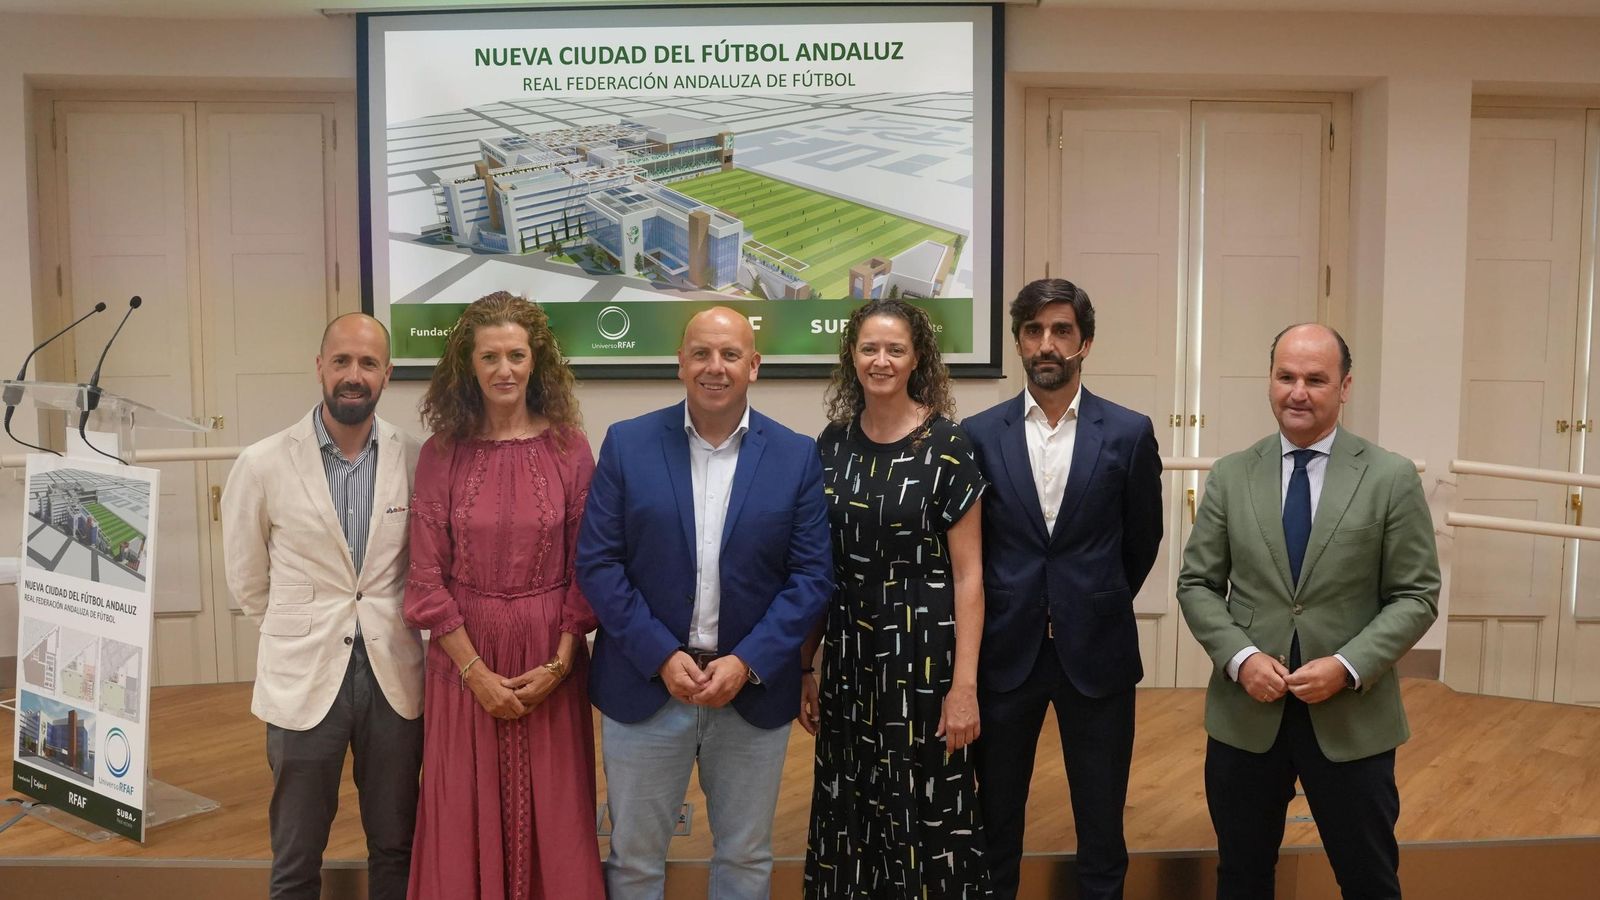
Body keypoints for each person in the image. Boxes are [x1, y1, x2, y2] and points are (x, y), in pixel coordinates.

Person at [576, 306, 833, 900]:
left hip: (752, 693)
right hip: (645, 689)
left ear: (754, 366)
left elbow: (811, 576)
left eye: (730, 354)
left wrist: (747, 662)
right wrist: (661, 656)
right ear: (680, 363)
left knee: (745, 858)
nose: (715, 367)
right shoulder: (628, 444)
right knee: (635, 860)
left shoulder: (795, 455)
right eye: (701, 353)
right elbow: (598, 563)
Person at [1177, 323, 1440, 900]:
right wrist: (1241, 658)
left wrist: (1347, 666)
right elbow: (1197, 584)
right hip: (1247, 716)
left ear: (1345, 387)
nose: (1298, 392)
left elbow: (1417, 594)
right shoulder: (1231, 474)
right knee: (1242, 878)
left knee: (1368, 880)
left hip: (1351, 717)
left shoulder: (1389, 477)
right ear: (1270, 381)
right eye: (1286, 377)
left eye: (1316, 380)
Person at [963, 279, 1163, 900]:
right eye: (1033, 331)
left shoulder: (1128, 432)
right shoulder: (977, 434)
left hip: (1097, 653)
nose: (1046, 344)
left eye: (1061, 330)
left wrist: (1091, 599)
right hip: (1005, 654)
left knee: (1101, 826)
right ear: (1019, 342)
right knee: (995, 821)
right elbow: (973, 548)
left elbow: (1143, 540)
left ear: (1085, 343)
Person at [403, 292, 604, 899]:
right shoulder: (441, 453)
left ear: (536, 361)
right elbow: (425, 578)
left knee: (556, 816)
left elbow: (587, 568)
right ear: (468, 366)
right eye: (489, 357)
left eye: (516, 355)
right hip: (465, 659)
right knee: (462, 813)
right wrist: (476, 674)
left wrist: (559, 665)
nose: (504, 370)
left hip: (552, 654)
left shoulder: (570, 447)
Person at [221, 312, 423, 900]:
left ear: (387, 373)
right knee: (297, 852)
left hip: (393, 677)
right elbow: (247, 578)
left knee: (396, 845)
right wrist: (296, 627)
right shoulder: (262, 462)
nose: (353, 375)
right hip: (303, 676)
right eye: (341, 361)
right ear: (319, 367)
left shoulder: (416, 458)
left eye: (368, 363)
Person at [801, 297, 991, 899]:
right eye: (869, 349)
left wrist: (964, 688)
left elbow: (969, 577)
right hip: (850, 661)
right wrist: (807, 666)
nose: (880, 360)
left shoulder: (950, 446)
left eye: (895, 349)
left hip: (924, 664)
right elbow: (818, 567)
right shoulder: (831, 444)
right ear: (852, 358)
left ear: (916, 359)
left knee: (926, 811)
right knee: (851, 810)